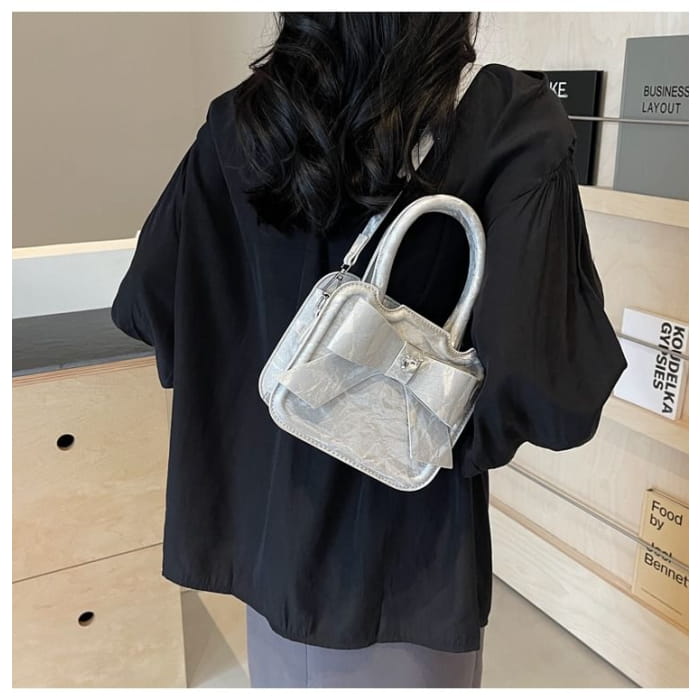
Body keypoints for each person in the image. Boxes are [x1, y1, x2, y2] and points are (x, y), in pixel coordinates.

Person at [110, 12, 628, 688]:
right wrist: (428, 428)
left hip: (268, 548)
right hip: (403, 566)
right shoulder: (506, 123)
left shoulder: (240, 123)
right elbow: (549, 391)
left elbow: (149, 305)